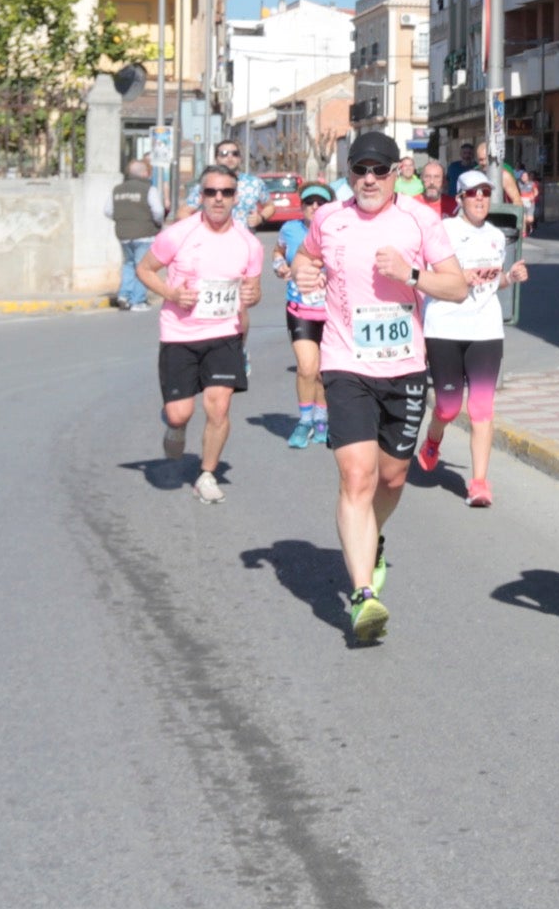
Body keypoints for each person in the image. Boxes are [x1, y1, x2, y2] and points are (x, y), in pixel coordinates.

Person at [289, 130, 469, 642]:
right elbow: (306, 258)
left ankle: (373, 537)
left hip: (405, 366)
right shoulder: (330, 217)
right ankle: (364, 595)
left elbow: (456, 286)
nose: (368, 178)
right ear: (349, 173)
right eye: (359, 169)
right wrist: (305, 274)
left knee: (391, 479)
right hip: (345, 362)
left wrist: (411, 273)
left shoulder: (420, 220)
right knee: (357, 477)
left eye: (378, 170)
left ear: (397, 173)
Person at [136, 163, 265, 504]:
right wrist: (172, 294)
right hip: (180, 333)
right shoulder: (179, 234)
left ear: (236, 197)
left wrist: (254, 295)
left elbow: (253, 291)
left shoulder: (249, 243)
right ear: (201, 196)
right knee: (180, 412)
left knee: (218, 407)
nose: (218, 199)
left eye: (225, 192)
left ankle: (206, 474)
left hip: (225, 332)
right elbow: (144, 269)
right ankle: (175, 425)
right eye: (211, 192)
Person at [415, 170, 528, 506]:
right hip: (445, 328)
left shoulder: (496, 236)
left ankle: (479, 482)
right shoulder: (443, 232)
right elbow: (424, 277)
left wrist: (510, 276)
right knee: (448, 407)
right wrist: (454, 277)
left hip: (485, 330)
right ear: (460, 198)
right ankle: (433, 439)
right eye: (473, 193)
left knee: (481, 408)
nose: (480, 199)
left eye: (485, 193)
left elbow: (493, 283)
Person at [273, 182, 334, 449]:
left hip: (332, 312)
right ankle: (305, 420)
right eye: (309, 203)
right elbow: (278, 251)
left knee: (324, 372)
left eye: (320, 203)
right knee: (307, 367)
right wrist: (279, 265)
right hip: (301, 309)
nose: (314, 208)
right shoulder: (290, 229)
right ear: (302, 206)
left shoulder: (338, 231)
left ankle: (322, 419)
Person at [106, 156, 164, 311]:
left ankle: (124, 295)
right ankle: (138, 301)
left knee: (128, 264)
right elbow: (158, 211)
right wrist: (157, 222)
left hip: (123, 234)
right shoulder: (149, 189)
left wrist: (124, 218)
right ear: (144, 173)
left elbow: (108, 211)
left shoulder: (117, 190)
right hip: (145, 233)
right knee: (142, 267)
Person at [182, 140, 266, 231]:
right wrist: (201, 230)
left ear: (239, 158)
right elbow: (183, 213)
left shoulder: (254, 183)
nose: (230, 157)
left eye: (235, 153)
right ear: (216, 159)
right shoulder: (207, 185)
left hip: (243, 241)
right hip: (213, 241)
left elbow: (270, 206)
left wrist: (260, 218)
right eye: (224, 154)